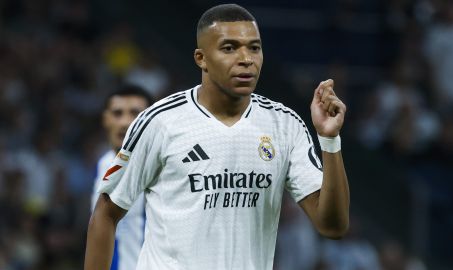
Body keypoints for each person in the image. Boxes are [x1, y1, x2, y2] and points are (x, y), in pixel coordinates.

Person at [85, 4, 350, 270]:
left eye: (254, 48)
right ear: (201, 58)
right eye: (229, 48)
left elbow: (333, 226)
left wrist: (330, 140)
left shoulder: (284, 125)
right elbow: (106, 213)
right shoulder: (160, 122)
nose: (246, 58)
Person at [90, 85, 153, 270]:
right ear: (105, 119)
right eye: (117, 113)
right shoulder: (101, 165)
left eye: (135, 113)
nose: (125, 122)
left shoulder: (165, 170)